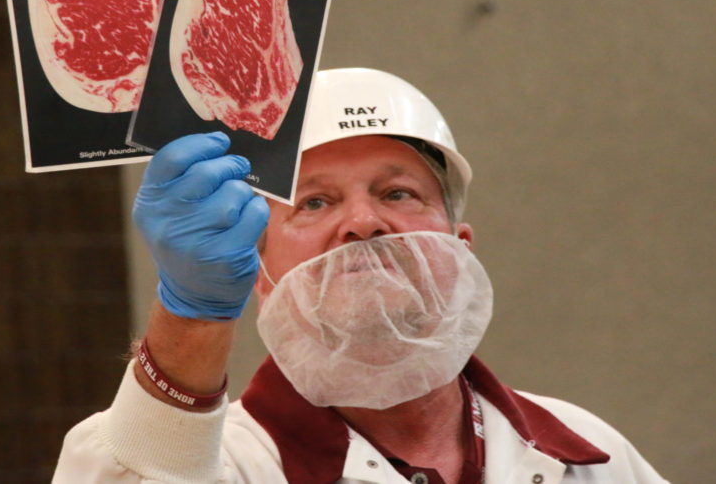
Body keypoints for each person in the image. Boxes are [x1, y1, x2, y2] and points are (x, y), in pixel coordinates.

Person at [53, 68, 668, 483]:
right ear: (259, 274)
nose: (364, 223)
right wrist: (192, 312)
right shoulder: (229, 464)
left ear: (461, 251)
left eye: (398, 193)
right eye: (314, 203)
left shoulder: (588, 455)